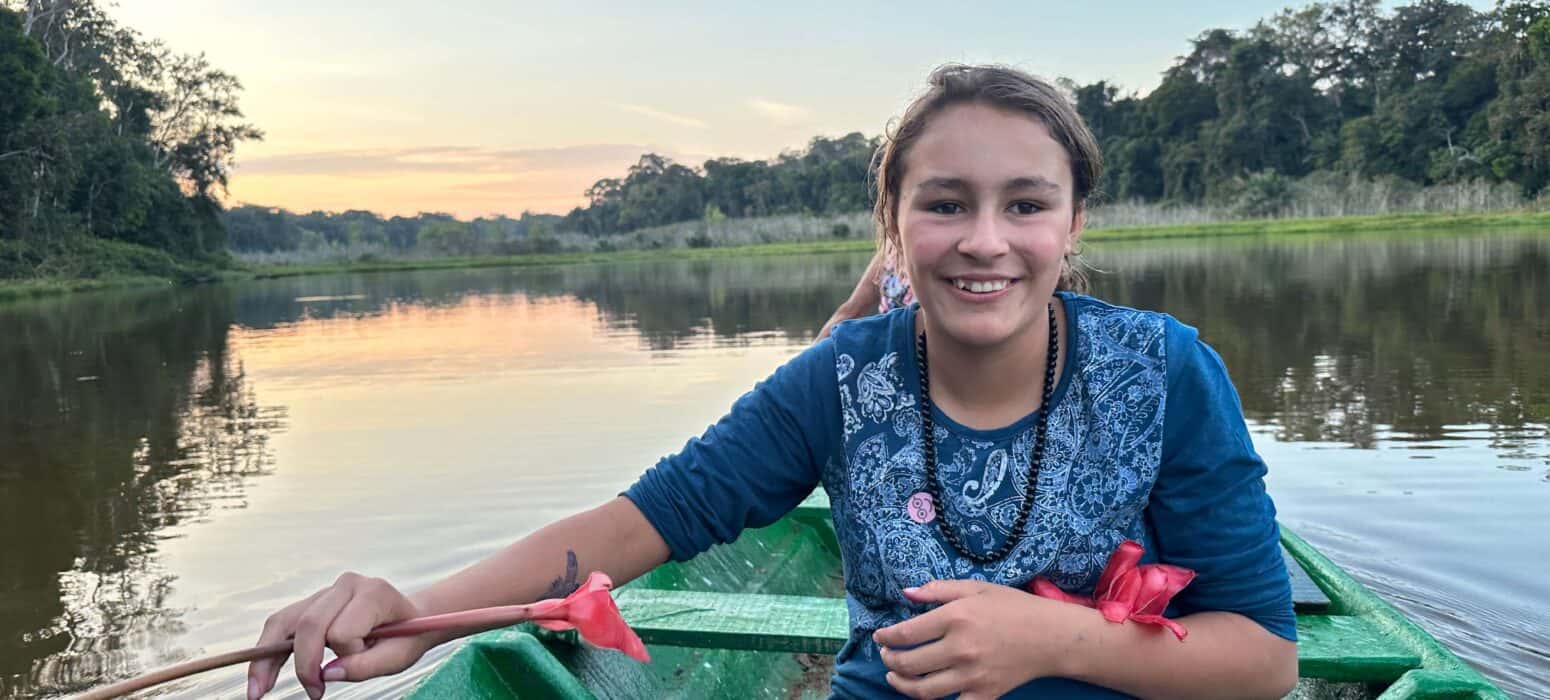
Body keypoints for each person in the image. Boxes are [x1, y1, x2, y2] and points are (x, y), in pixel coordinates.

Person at [247, 64, 1298, 700]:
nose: (985, 241)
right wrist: (415, 608)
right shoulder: (836, 382)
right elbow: (641, 520)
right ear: (892, 227)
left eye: (1025, 204)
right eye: (944, 204)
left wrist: (1048, 637)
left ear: (1072, 225)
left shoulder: (1160, 371)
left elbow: (1259, 663)